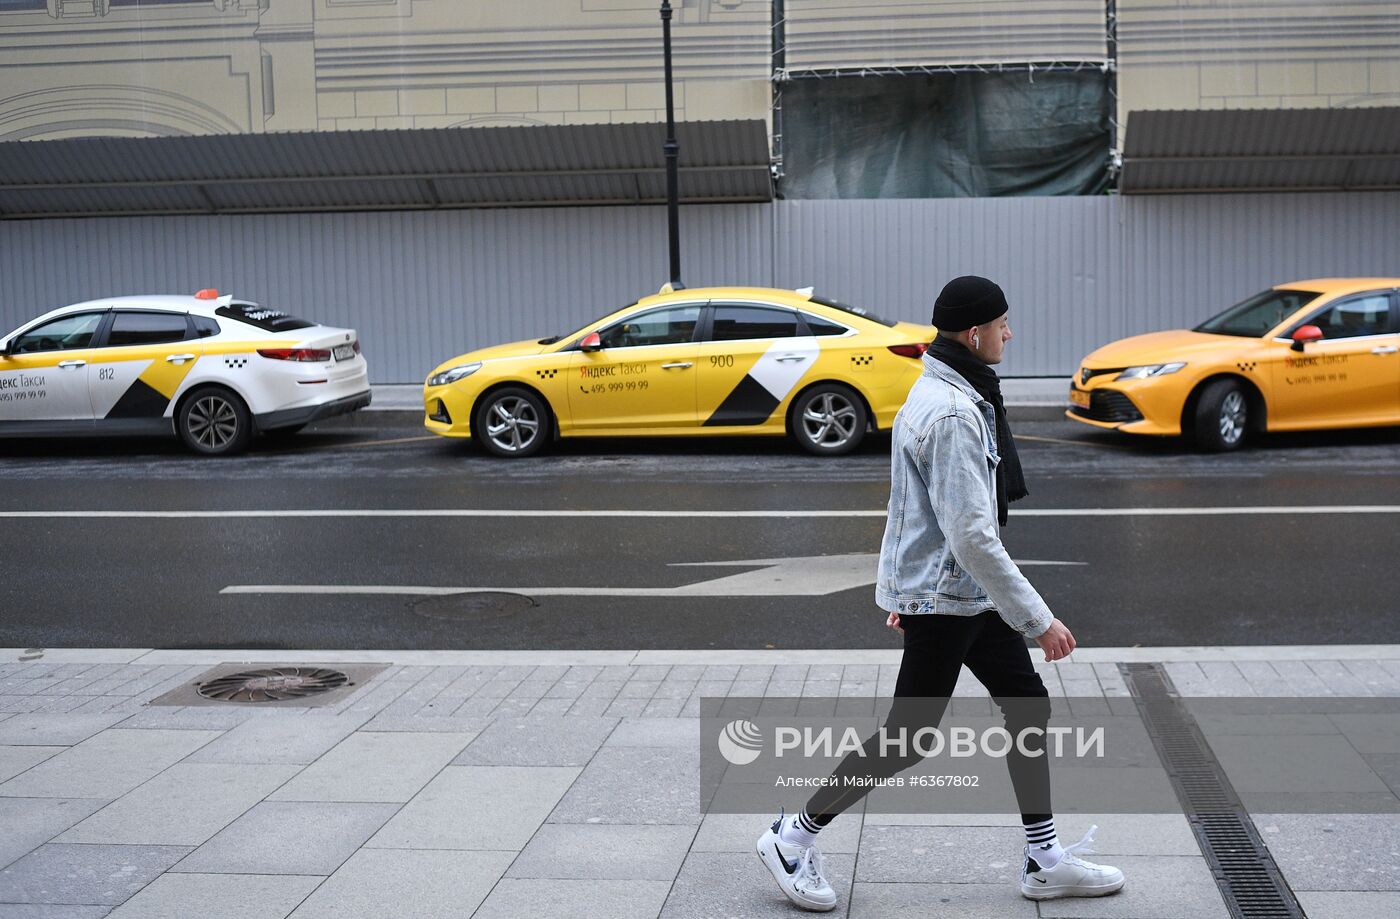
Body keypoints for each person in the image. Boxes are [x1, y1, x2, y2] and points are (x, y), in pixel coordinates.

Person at [756, 276, 1125, 911]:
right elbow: (971, 535)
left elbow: (908, 507)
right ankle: (793, 836)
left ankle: (1044, 859)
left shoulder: (946, 388)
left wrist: (901, 587)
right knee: (910, 736)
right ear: (974, 332)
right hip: (955, 593)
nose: (1010, 333)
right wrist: (1038, 621)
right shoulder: (955, 412)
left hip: (960, 593)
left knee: (1026, 707)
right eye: (1003, 324)